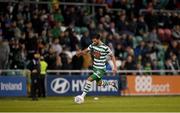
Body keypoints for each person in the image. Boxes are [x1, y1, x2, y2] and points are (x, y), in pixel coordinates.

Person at [76, 33, 117, 101]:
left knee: (89, 79)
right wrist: (80, 53)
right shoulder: (93, 44)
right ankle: (111, 83)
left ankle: (82, 97)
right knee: (99, 83)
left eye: (95, 41)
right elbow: (86, 51)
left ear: (98, 39)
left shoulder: (105, 47)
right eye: (93, 41)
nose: (93, 42)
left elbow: (112, 56)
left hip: (101, 69)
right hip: (95, 67)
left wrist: (115, 67)